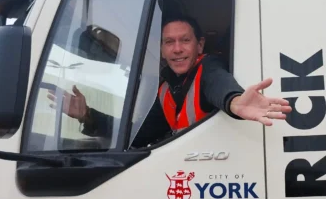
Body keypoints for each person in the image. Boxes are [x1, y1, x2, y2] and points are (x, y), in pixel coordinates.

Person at [47, 15, 292, 148]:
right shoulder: (165, 89)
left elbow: (219, 83)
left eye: (184, 40)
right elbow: (136, 135)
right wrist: (87, 115)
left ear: (200, 45)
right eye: (169, 42)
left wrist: (235, 101)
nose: (177, 49)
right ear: (162, 49)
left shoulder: (207, 68)